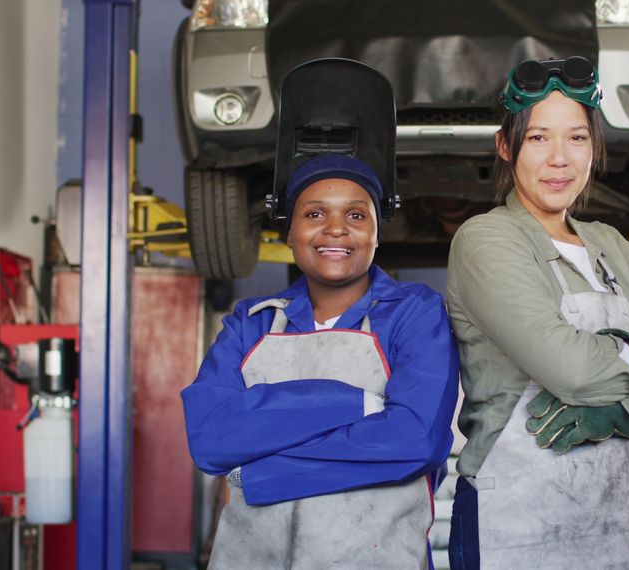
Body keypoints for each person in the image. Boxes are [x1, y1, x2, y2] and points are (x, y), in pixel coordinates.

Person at [181, 60, 459, 569]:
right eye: (314, 214)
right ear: (289, 233)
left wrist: (263, 472)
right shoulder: (251, 322)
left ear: (378, 232)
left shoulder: (415, 315)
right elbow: (212, 440)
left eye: (356, 215)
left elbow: (414, 440)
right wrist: (362, 405)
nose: (335, 229)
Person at [446, 56, 629, 568]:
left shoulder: (613, 245)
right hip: (522, 519)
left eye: (576, 138)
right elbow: (567, 369)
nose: (559, 159)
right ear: (505, 147)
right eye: (537, 138)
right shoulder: (487, 239)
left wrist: (616, 413)